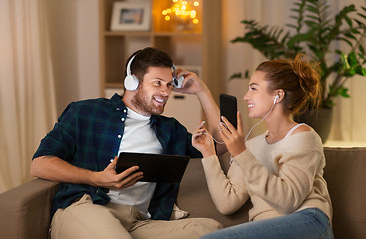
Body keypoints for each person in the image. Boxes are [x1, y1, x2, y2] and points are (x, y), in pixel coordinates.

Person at [31, 47, 224, 239]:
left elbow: (219, 146)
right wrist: (96, 178)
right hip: (86, 208)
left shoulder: (170, 129)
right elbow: (40, 164)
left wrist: (202, 91)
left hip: (138, 222)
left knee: (211, 230)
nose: (166, 92)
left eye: (169, 84)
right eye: (157, 83)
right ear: (132, 82)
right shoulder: (85, 112)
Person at [192, 54, 333, 239]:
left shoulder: (303, 136)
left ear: (278, 95)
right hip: (267, 229)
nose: (245, 96)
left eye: (253, 89)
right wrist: (209, 154)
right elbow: (227, 202)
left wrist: (241, 153)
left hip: (308, 221)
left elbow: (288, 201)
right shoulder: (251, 145)